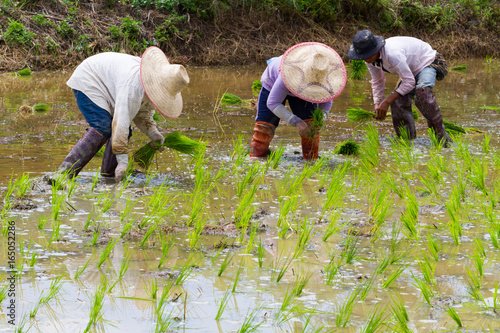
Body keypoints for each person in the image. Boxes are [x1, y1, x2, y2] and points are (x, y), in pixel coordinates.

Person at [54, 46, 189, 182]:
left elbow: (142, 113)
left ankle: (109, 177)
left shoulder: (149, 85)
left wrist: (154, 134)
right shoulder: (134, 85)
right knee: (103, 126)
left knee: (125, 132)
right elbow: (121, 120)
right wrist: (123, 160)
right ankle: (63, 175)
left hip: (107, 84)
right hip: (89, 79)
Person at [347, 30, 451, 146]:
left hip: (427, 62)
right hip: (410, 70)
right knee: (397, 101)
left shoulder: (392, 54)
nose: (366, 59)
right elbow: (378, 80)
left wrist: (386, 101)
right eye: (363, 56)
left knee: (423, 95)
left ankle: (442, 141)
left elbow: (409, 82)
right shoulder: (370, 60)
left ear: (376, 49)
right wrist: (378, 104)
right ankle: (406, 141)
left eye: (368, 55)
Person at [250, 42, 347, 159]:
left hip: (301, 94)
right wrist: (295, 122)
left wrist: (320, 119)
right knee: (263, 129)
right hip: (272, 84)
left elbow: (327, 100)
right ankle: (256, 160)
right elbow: (272, 103)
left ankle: (311, 162)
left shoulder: (324, 75)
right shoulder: (287, 73)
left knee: (311, 127)